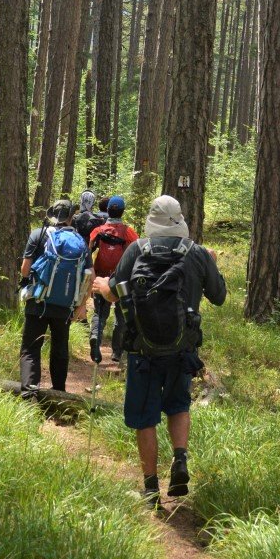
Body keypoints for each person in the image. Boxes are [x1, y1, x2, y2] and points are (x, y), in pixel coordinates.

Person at [93, 194, 225, 506]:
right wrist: (211, 266)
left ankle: (150, 487)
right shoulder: (196, 253)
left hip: (142, 349)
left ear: (151, 221)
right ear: (180, 220)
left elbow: (113, 294)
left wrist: (101, 287)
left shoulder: (138, 249)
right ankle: (180, 459)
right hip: (182, 350)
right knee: (178, 405)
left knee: (144, 417)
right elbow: (218, 296)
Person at [19, 199, 92, 394]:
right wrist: (82, 305)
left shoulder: (38, 234)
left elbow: (25, 269)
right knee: (60, 348)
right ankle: (59, 392)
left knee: (31, 348)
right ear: (71, 217)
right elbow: (89, 276)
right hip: (65, 303)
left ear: (52, 215)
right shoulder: (80, 242)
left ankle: (29, 393)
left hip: (38, 300)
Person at [88, 196, 138, 365]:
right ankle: (117, 351)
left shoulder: (98, 230)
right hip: (122, 279)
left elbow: (88, 252)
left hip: (101, 276)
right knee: (122, 315)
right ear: (122, 212)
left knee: (99, 313)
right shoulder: (129, 232)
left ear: (107, 210)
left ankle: (95, 337)